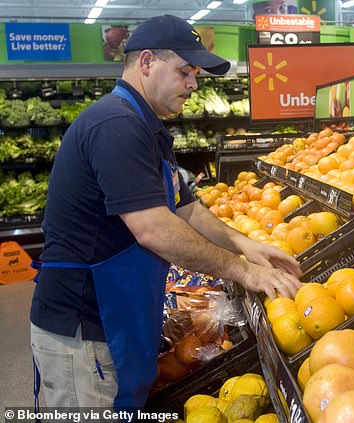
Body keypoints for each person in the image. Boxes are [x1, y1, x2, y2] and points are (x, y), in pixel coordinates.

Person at [30, 14, 302, 412]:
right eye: (185, 72)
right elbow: (154, 229)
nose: (193, 84)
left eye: (195, 75)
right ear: (146, 63)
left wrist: (248, 246)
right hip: (84, 328)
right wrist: (244, 271)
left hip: (115, 317)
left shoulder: (149, 129)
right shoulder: (115, 125)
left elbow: (187, 208)